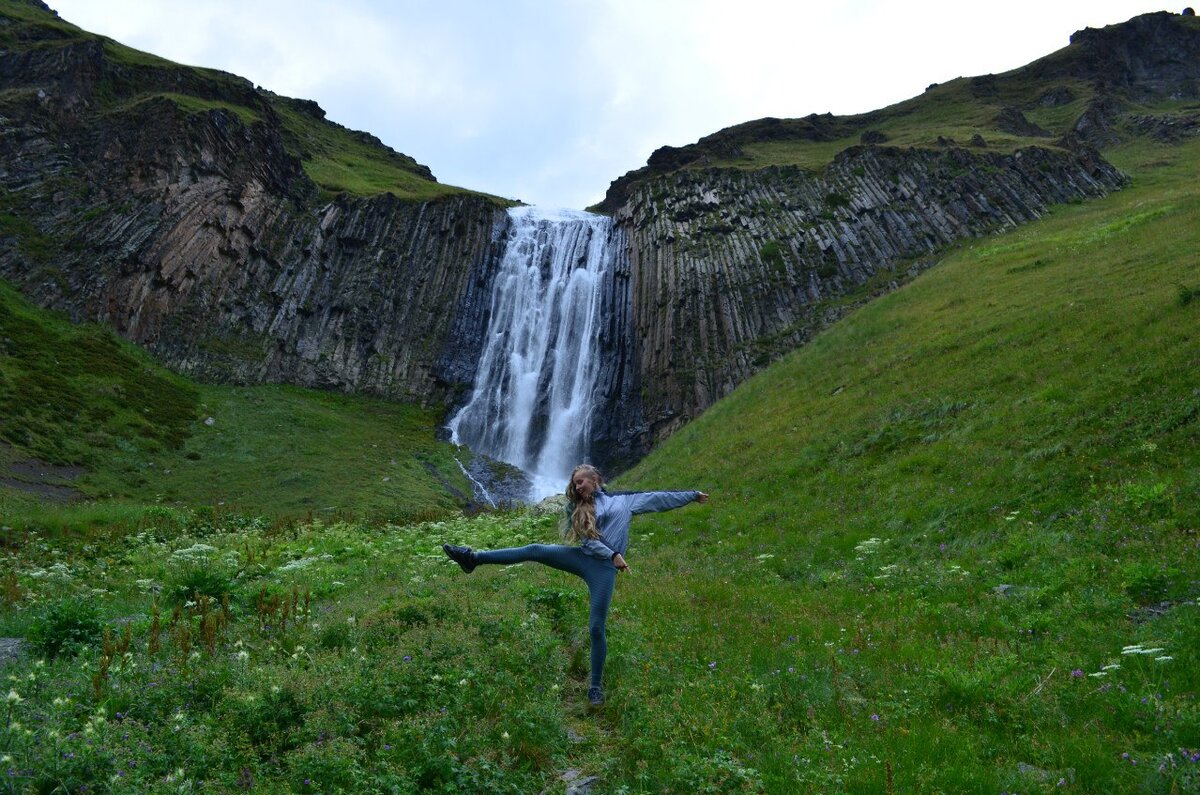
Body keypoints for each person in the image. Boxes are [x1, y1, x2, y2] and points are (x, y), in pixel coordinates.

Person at [442, 463, 709, 706]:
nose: (578, 486)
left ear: (596, 479)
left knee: (595, 627)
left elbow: (660, 498)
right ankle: (473, 558)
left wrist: (692, 495)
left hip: (603, 571)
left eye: (582, 481)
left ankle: (595, 687)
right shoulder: (577, 509)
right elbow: (587, 542)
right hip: (586, 558)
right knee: (535, 548)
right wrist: (613, 554)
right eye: (575, 483)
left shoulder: (625, 500)